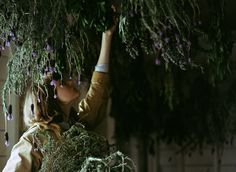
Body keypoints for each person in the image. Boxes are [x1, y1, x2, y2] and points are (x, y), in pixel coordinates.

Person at [2, 17, 117, 172]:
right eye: (60, 79)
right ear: (47, 94)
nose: (71, 80)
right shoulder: (34, 140)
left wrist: (107, 37)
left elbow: (98, 90)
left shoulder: (76, 126)